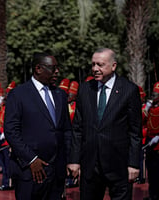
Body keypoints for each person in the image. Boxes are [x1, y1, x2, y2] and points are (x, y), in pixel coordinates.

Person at [67, 48, 142, 200]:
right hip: (90, 166)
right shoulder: (84, 90)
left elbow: (135, 131)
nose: (95, 69)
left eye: (100, 65)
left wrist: (134, 164)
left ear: (113, 66)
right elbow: (77, 128)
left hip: (119, 165)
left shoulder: (129, 90)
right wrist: (74, 160)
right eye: (93, 64)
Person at [4, 52, 72, 200]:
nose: (57, 71)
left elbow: (66, 130)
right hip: (30, 172)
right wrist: (31, 159)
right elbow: (11, 131)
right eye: (52, 68)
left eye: (57, 67)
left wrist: (68, 159)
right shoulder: (19, 94)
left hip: (56, 172)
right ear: (38, 69)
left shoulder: (60, 94)